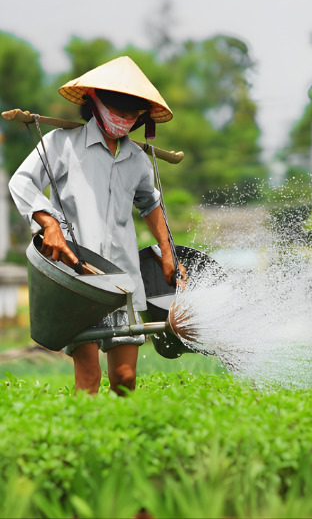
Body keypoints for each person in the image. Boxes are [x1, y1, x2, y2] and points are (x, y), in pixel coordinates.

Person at [8, 56, 186, 396]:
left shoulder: (136, 159)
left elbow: (151, 203)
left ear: (141, 118)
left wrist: (168, 252)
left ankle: (121, 441)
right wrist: (49, 223)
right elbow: (22, 182)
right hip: (77, 277)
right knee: (88, 378)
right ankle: (84, 439)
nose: (123, 118)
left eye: (132, 114)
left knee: (125, 379)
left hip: (122, 280)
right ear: (94, 101)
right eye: (117, 109)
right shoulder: (62, 144)